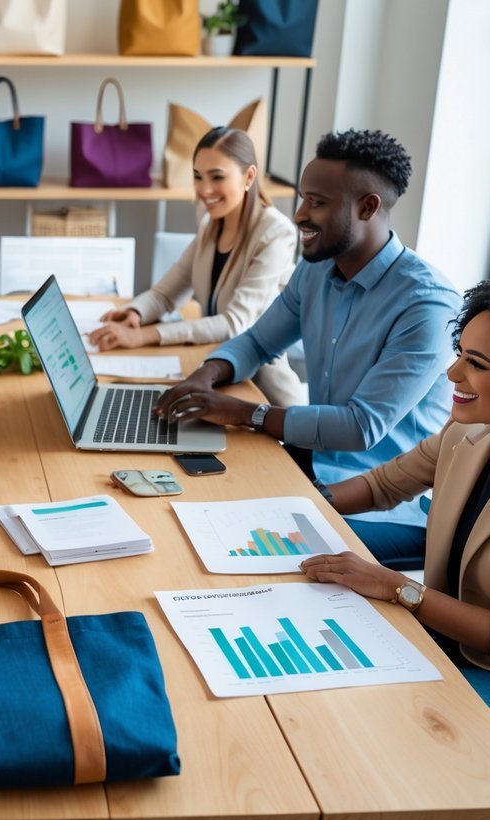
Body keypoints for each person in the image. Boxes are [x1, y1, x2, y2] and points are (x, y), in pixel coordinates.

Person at [300, 268, 490, 787]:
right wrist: (294, 504)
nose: (452, 374)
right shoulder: (468, 432)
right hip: (458, 638)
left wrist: (396, 588)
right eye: (459, 353)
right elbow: (386, 484)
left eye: (475, 364)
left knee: (397, 723)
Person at [154, 129, 460, 571]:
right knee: (189, 490)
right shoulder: (317, 272)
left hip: (388, 504)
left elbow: (361, 427)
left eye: (317, 202)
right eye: (302, 198)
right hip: (317, 462)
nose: (299, 214)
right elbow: (258, 340)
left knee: (228, 538)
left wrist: (245, 413)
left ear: (368, 207)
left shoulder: (426, 304)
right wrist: (206, 373)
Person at [89, 127, 302, 407]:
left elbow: (234, 325)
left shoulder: (276, 233)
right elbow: (166, 294)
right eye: (198, 176)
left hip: (261, 394)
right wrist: (134, 314)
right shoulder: (210, 221)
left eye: (217, 177)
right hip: (213, 377)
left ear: (249, 177)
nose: (204, 190)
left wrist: (143, 336)